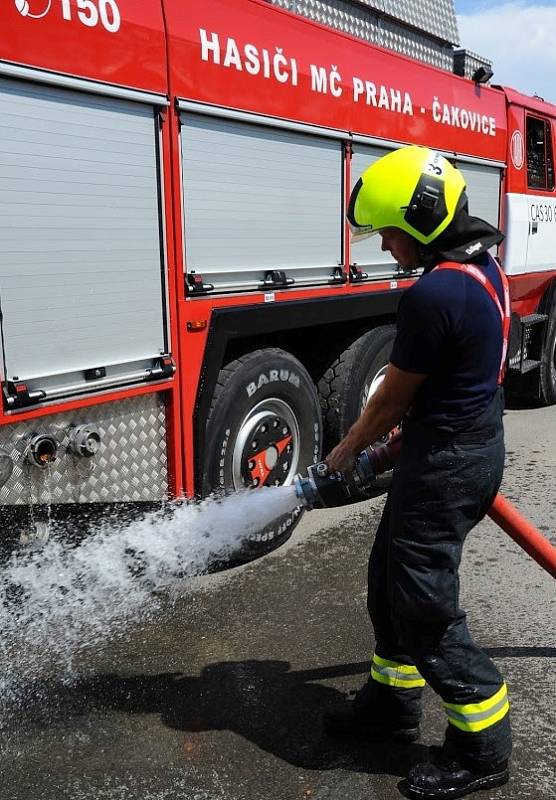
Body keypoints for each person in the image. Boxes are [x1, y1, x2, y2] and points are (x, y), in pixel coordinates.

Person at [325, 145, 512, 799]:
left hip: (447, 465)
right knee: (389, 584)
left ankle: (482, 745)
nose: (383, 245)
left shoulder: (438, 291)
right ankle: (390, 708)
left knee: (424, 606)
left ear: (425, 220)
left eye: (389, 231)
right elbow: (442, 393)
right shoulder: (481, 267)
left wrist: (343, 457)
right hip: (456, 449)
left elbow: (389, 401)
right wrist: (385, 455)